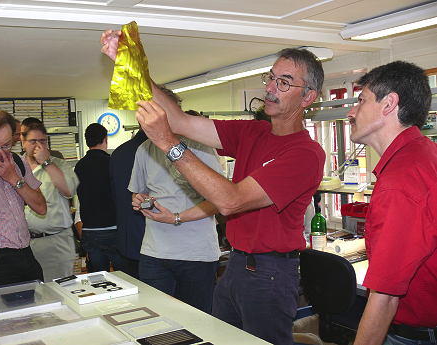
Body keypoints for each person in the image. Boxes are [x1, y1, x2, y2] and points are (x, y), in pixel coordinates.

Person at [101, 31, 325, 344]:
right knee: (220, 339)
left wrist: (167, 142)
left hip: (270, 274)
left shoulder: (304, 153)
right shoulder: (254, 132)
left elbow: (230, 201)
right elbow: (178, 119)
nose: (271, 88)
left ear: (308, 97)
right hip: (237, 266)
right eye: (271, 78)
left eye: (284, 82)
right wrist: (133, 67)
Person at [346, 62, 437, 345]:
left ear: (389, 104)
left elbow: (385, 298)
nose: (351, 112)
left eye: (361, 101)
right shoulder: (427, 154)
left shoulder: (401, 180)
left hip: (414, 336)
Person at [128, 95, 222, 314]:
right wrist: (141, 201)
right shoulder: (144, 149)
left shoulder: (201, 147)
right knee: (156, 321)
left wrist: (177, 218)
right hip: (155, 252)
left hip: (196, 254)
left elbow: (218, 201)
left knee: (198, 322)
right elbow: (140, 194)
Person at [0, 110, 46, 289]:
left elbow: (41, 207)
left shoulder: (19, 163)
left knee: (39, 313)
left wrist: (14, 179)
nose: (1, 153)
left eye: (6, 145)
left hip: (25, 255)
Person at [22, 121, 79, 282]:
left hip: (55, 243)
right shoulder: (16, 166)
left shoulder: (59, 164)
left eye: (43, 141)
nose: (39, 146)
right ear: (23, 142)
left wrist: (46, 162)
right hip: (25, 245)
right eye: (33, 141)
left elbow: (69, 190)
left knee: (61, 296)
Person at [74, 123, 122, 272]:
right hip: (113, 228)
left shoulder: (79, 166)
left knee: (98, 278)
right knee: (123, 277)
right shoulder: (111, 163)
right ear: (105, 139)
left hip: (90, 231)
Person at [110, 128, 148, 279]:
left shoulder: (118, 153)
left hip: (126, 238)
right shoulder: (156, 150)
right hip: (153, 240)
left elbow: (114, 194)